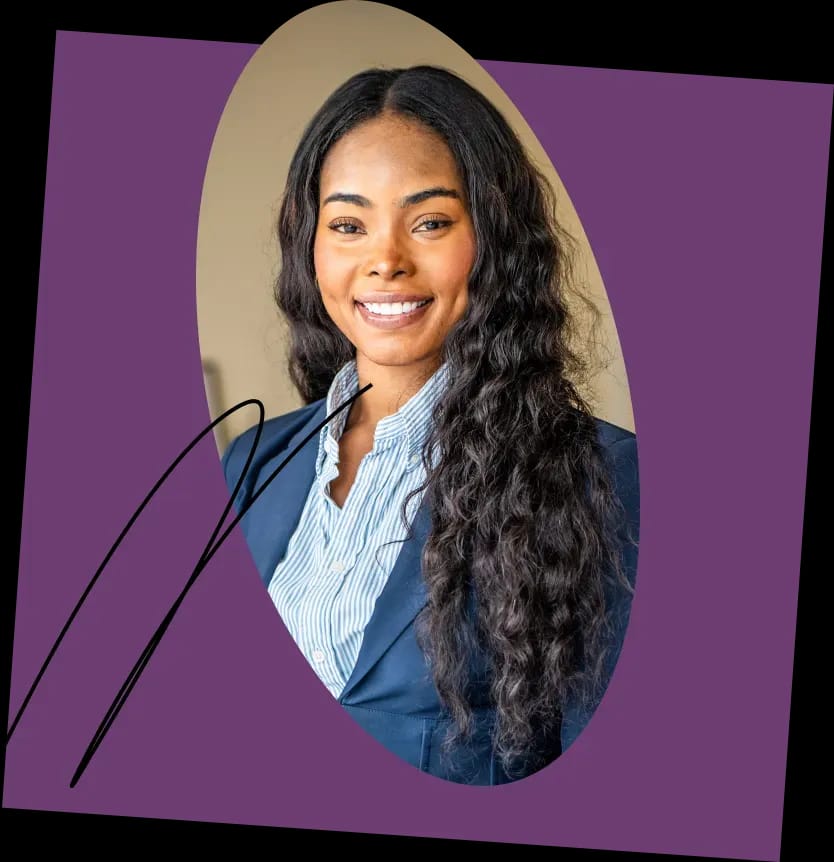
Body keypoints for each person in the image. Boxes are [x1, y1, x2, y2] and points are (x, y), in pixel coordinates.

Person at [222, 65, 639, 785]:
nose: (385, 260)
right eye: (348, 224)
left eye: (430, 222)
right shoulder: (250, 462)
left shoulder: (601, 473)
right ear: (310, 242)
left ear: (493, 238)